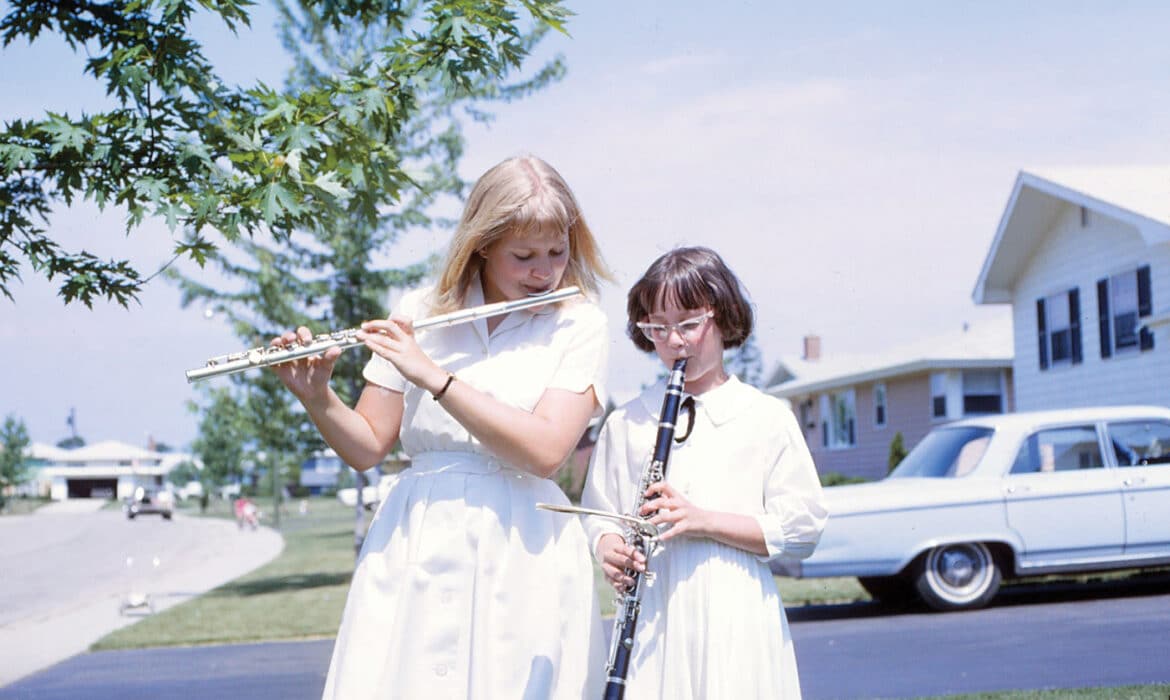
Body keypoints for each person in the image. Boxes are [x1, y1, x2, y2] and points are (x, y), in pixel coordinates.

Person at [270, 155, 612, 699]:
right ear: (482, 245)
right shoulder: (419, 310)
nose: (543, 272)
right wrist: (317, 397)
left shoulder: (579, 323)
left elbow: (546, 451)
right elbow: (366, 447)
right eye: (523, 256)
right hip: (418, 533)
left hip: (521, 540)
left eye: (557, 252)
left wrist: (433, 376)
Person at [581, 246, 828, 699]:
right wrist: (609, 546)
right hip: (654, 614)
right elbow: (598, 513)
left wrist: (702, 520)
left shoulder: (766, 416)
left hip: (735, 608)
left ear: (725, 318)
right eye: (657, 328)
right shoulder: (627, 422)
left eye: (689, 324)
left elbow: (804, 526)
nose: (674, 341)